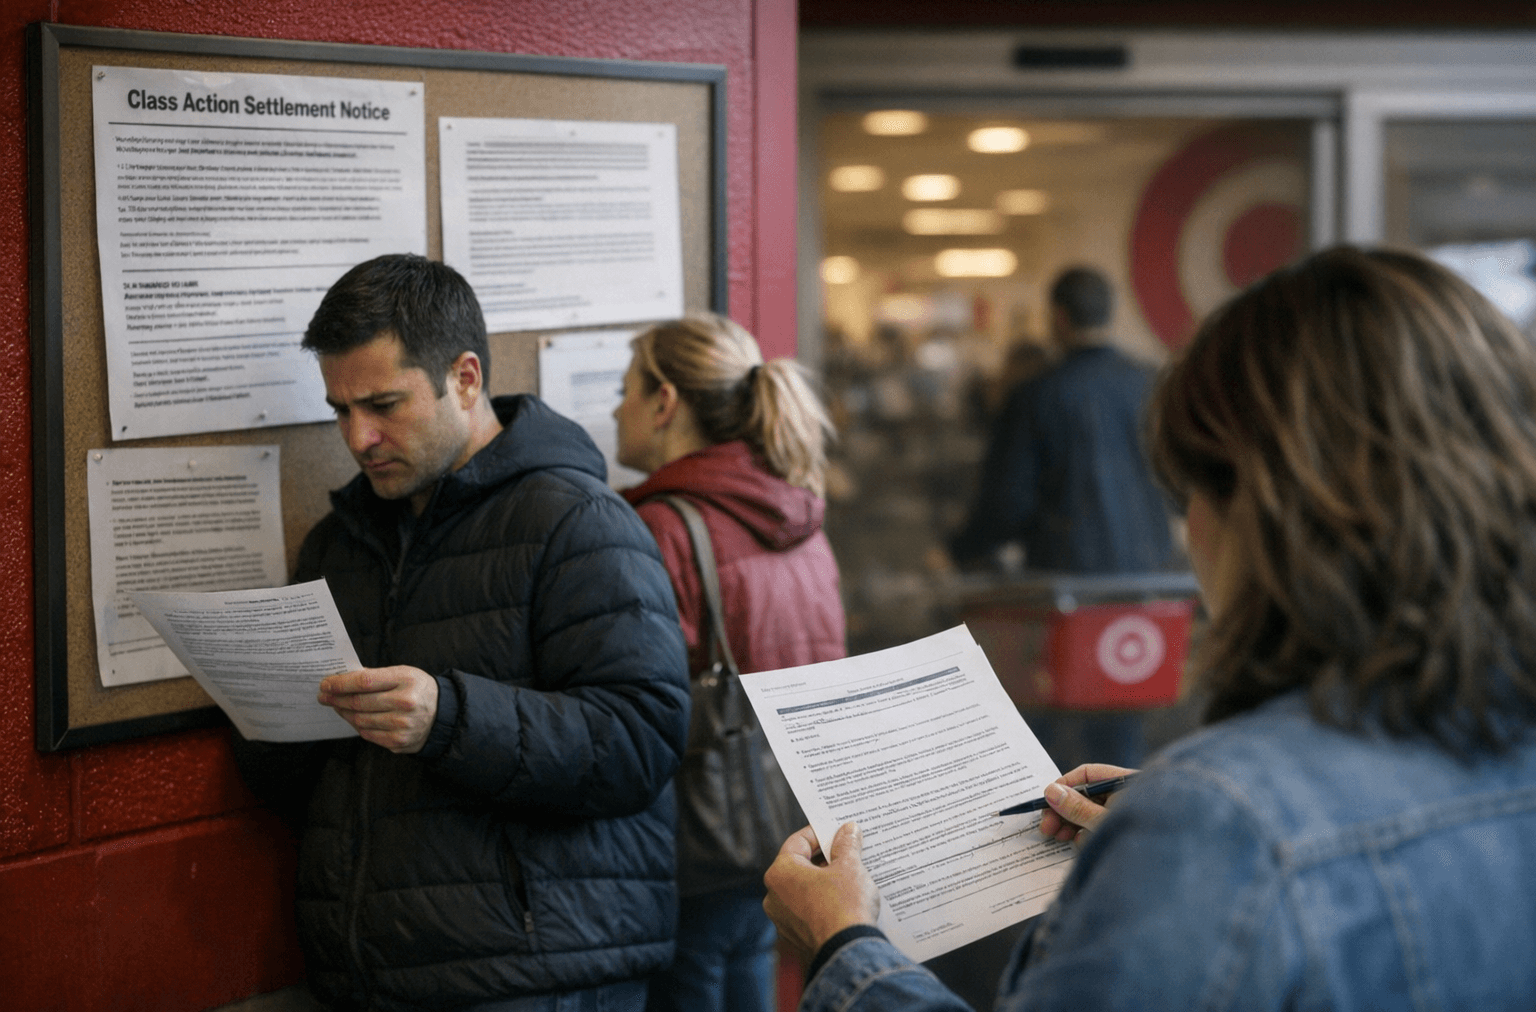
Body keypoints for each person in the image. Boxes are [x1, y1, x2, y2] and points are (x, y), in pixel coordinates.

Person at [764, 245, 1536, 1011]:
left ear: (1268, 512)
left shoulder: (1222, 822)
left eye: (1192, 486)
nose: (1189, 526)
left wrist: (845, 945)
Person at [233, 254, 690, 1012]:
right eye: (340, 410)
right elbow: (307, 777)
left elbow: (642, 738)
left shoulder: (576, 522)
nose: (359, 437)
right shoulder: (340, 541)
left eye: (383, 404)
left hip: (541, 972)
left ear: (466, 378)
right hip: (373, 971)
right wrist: (262, 708)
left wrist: (449, 717)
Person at [612, 312, 846, 1012]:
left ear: (665, 403)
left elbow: (637, 699)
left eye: (625, 389)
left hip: (698, 836)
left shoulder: (662, 526)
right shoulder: (799, 515)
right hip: (783, 824)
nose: (614, 409)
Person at [951, 266, 1177, 773]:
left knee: (1046, 728)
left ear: (1058, 317)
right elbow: (1182, 483)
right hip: (1144, 581)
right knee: (1122, 723)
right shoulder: (1153, 385)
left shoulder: (1038, 395)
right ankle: (1114, 831)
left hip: (1062, 590)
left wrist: (961, 549)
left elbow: (1007, 503)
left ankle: (1056, 839)